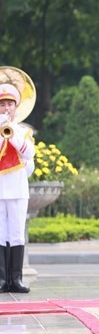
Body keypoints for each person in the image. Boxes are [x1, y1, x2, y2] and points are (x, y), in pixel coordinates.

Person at [0, 83, 35, 293]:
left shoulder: (23, 131)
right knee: (0, 233)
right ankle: (2, 279)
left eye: (9, 104)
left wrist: (10, 132)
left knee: (16, 234)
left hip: (18, 189)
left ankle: (16, 279)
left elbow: (28, 153)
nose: (5, 108)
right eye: (2, 104)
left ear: (16, 107)